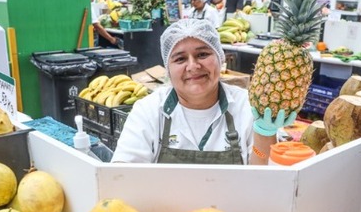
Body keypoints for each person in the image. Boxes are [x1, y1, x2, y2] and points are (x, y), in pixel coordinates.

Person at [111, 19, 295, 164]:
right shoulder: (148, 111)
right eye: (180, 59)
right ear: (168, 69)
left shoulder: (247, 107)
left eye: (202, 54)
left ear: (220, 58)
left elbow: (263, 173)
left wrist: (264, 133)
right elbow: (124, 172)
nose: (193, 66)